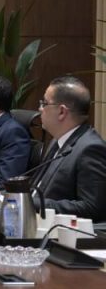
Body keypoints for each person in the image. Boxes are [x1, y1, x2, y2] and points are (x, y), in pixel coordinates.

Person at [32, 76, 106, 222]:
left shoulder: (90, 148)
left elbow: (92, 208)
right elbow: (37, 188)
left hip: (59, 231)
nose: (40, 109)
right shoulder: (58, 140)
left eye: (44, 103)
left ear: (62, 112)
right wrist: (3, 194)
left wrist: (33, 204)